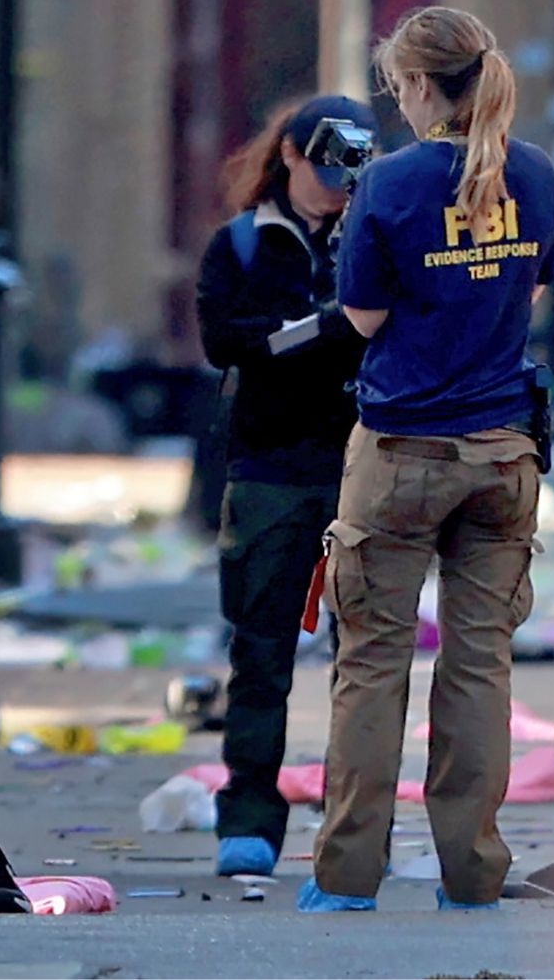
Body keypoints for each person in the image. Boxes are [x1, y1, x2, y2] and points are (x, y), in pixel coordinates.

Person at [297, 5, 554, 912]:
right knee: (481, 662)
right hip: (503, 451)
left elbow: (365, 319)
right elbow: (528, 295)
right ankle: (473, 873)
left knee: (372, 663)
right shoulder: (535, 175)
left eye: (399, 85)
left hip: (404, 446)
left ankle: (346, 878)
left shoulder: (393, 184)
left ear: (416, 86)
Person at [193, 93, 376, 878]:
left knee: (365, 656)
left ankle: (353, 823)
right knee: (261, 647)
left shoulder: (372, 236)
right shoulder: (241, 245)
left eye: (351, 173)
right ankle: (250, 815)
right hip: (269, 465)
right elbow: (225, 342)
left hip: (364, 461)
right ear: (291, 157)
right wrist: (326, 327)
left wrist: (302, 336)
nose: (338, 187)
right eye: (325, 170)